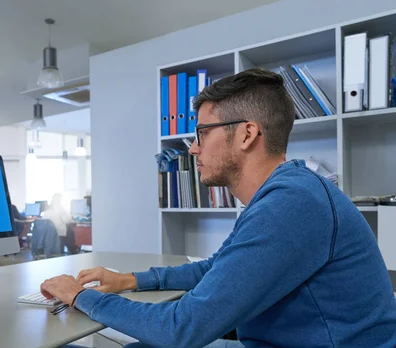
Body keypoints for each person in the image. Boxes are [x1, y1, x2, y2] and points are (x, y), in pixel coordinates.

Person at [40, 68, 396, 347]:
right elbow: (217, 269)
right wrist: (130, 280)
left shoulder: (291, 205)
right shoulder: (285, 194)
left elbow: (181, 330)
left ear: (246, 134)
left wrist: (80, 296)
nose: (193, 149)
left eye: (202, 133)